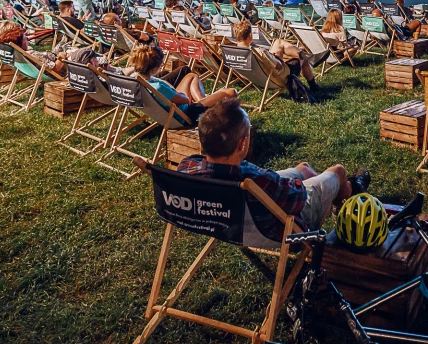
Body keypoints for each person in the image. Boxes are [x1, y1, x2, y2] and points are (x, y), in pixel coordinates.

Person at [151, 97, 365, 240]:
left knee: (303, 168)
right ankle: (347, 193)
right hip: (274, 229)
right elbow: (297, 198)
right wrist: (291, 184)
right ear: (242, 144)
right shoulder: (258, 182)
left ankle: (342, 188)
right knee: (337, 171)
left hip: (224, 222)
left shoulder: (188, 167)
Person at [126, 44, 236, 122]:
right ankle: (205, 105)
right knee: (231, 92)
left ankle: (204, 102)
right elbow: (185, 100)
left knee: (191, 76)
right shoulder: (158, 88)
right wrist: (171, 88)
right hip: (185, 114)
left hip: (170, 108)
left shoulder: (135, 79)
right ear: (154, 69)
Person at [230, 20, 321, 95]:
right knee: (302, 61)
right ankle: (313, 85)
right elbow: (279, 66)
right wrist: (277, 58)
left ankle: (306, 55)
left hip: (256, 79)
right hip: (275, 78)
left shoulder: (233, 53)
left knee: (278, 42)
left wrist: (271, 56)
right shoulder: (258, 52)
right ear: (250, 36)